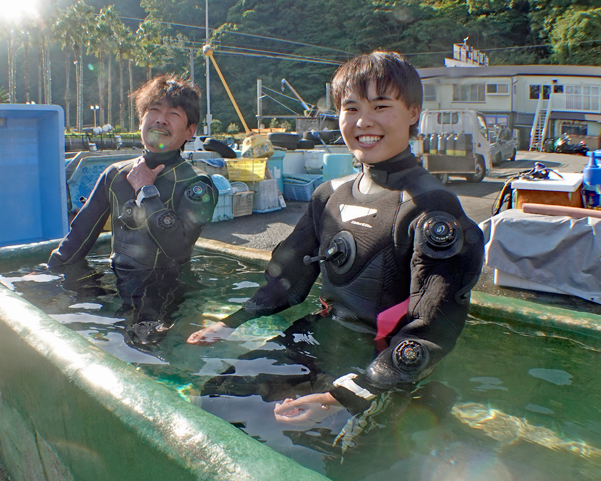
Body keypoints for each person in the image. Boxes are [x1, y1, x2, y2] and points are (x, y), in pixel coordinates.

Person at [187, 51, 483, 437]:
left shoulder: (430, 207)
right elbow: (289, 277)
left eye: (381, 106)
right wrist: (232, 322)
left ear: (413, 112)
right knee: (214, 400)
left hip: (381, 363)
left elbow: (432, 328)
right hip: (319, 338)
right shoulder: (329, 195)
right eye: (351, 108)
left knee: (326, 456)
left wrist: (342, 398)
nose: (364, 121)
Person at [48, 74, 218, 346]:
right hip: (116, 280)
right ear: (141, 121)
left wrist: (145, 190)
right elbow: (79, 236)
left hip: (164, 291)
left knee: (144, 350)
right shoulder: (114, 174)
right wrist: (48, 273)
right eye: (154, 110)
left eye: (173, 114)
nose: (161, 119)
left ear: (190, 131)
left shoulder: (198, 184)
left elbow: (176, 245)